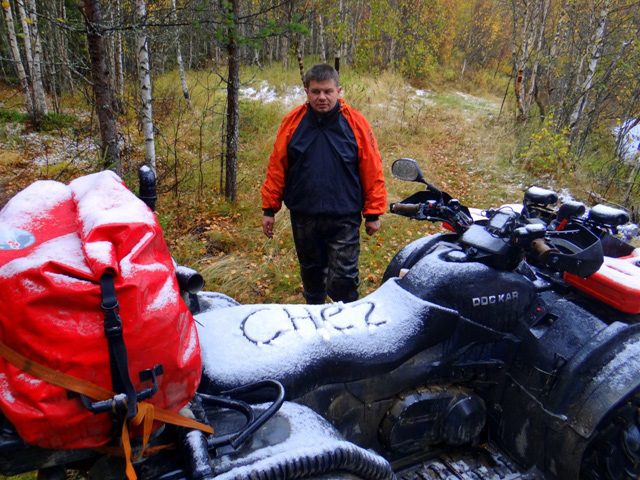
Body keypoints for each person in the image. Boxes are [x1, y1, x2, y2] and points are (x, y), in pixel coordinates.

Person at [261, 64, 386, 304]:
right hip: (304, 216)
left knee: (343, 279)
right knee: (311, 274)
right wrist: (269, 209)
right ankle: (314, 319)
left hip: (344, 216)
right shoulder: (292, 122)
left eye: (328, 91)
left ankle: (347, 326)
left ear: (339, 90)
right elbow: (277, 166)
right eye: (316, 91)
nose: (322, 97)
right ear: (306, 91)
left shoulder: (356, 123)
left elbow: (372, 168)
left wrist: (373, 212)